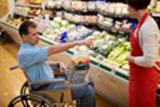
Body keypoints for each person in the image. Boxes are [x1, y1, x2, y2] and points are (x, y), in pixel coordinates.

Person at [17, 21, 96, 107]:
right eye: (34, 35)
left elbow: (41, 62)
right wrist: (78, 42)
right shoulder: (26, 53)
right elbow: (52, 49)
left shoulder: (29, 47)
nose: (37, 37)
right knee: (88, 91)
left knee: (89, 79)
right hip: (46, 88)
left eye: (37, 33)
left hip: (51, 81)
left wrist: (58, 63)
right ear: (24, 36)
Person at [127, 0, 160, 107]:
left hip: (145, 77)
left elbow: (149, 61)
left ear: (135, 8)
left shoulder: (148, 27)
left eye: (129, 6)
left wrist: (131, 59)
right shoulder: (141, 22)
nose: (127, 9)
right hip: (138, 75)